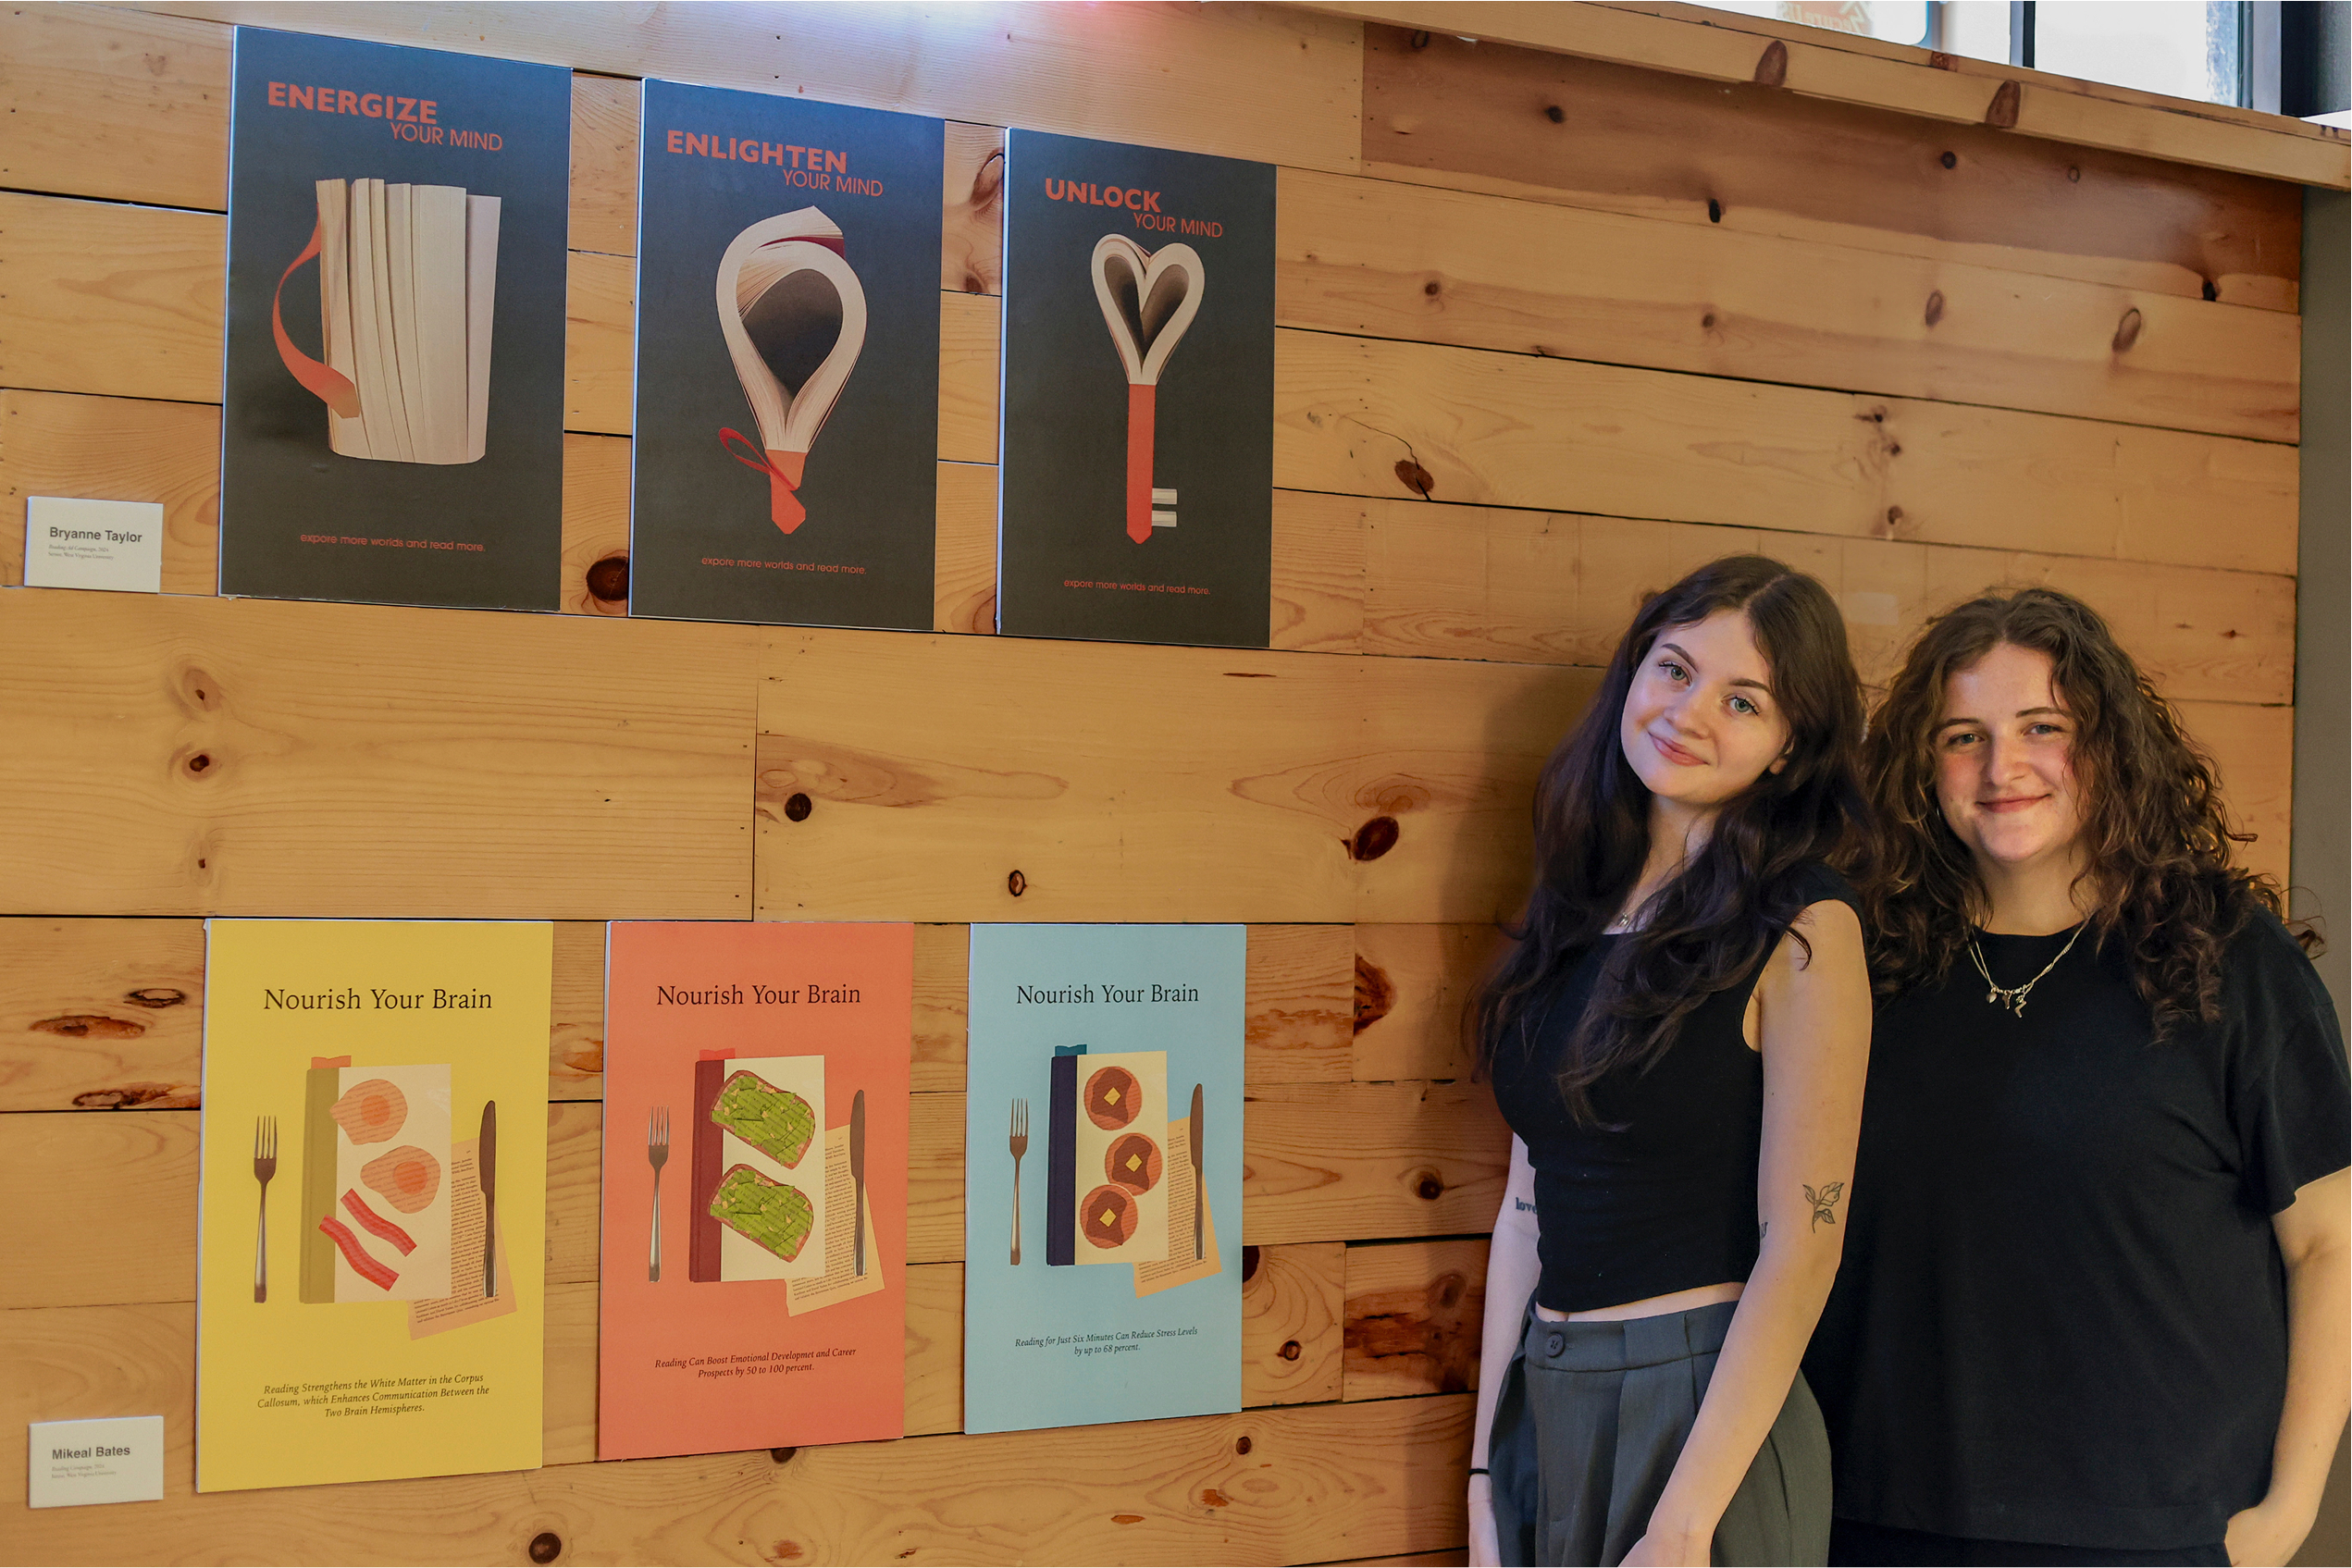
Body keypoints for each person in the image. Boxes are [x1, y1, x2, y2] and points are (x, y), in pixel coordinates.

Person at [1805, 586, 2351, 1567]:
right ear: (1922, 767)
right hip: (1876, 1519)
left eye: (2042, 727)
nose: (2001, 767)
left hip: (2152, 1530)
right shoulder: (1865, 961)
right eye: (1960, 737)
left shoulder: (2227, 957)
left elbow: (2329, 1247)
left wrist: (2289, 1511)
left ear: (2106, 744)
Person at [1467, 555, 1875, 1568]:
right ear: (1633, 673)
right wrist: (1484, 1472)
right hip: (1547, 1393)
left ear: (1788, 748)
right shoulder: (1575, 896)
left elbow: (1804, 1245)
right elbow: (1527, 1197)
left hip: (1703, 1417)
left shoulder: (1805, 927)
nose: (1688, 712)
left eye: (1743, 701)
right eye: (1674, 669)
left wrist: (1684, 1522)